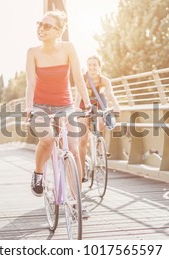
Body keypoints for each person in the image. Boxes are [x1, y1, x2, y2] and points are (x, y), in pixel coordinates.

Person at [25, 10, 92, 202]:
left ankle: (77, 201)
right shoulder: (33, 52)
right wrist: (29, 107)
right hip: (39, 105)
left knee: (73, 148)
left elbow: (78, 78)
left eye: (47, 26)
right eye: (40, 24)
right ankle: (38, 173)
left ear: (58, 31)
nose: (41, 29)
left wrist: (87, 103)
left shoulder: (68, 48)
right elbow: (30, 83)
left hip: (65, 105)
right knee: (47, 138)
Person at [75, 55, 121, 179]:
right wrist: (76, 108)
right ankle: (82, 170)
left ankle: (99, 146)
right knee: (83, 139)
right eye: (89, 64)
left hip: (99, 105)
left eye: (95, 64)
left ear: (99, 66)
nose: (92, 67)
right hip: (84, 106)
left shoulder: (104, 80)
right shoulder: (83, 79)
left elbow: (110, 94)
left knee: (101, 122)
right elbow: (79, 95)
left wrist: (116, 105)